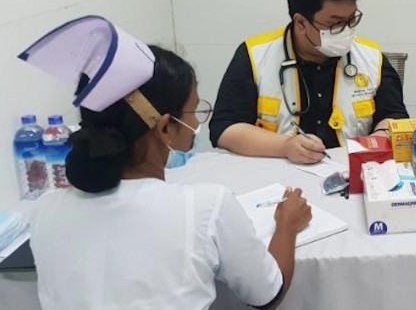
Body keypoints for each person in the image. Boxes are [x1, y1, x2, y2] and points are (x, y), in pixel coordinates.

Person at [21, 16, 311, 310]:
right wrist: (286, 225)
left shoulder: (45, 210)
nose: (196, 123)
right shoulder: (206, 207)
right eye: (194, 111)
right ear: (164, 127)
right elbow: (268, 295)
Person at [210, 0, 409, 164]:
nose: (347, 31)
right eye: (335, 24)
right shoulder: (255, 56)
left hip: (352, 173)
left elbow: (395, 117)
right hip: (278, 176)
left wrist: (378, 140)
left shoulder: (371, 58)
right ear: (301, 23)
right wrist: (284, 146)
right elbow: (224, 129)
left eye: (351, 20)